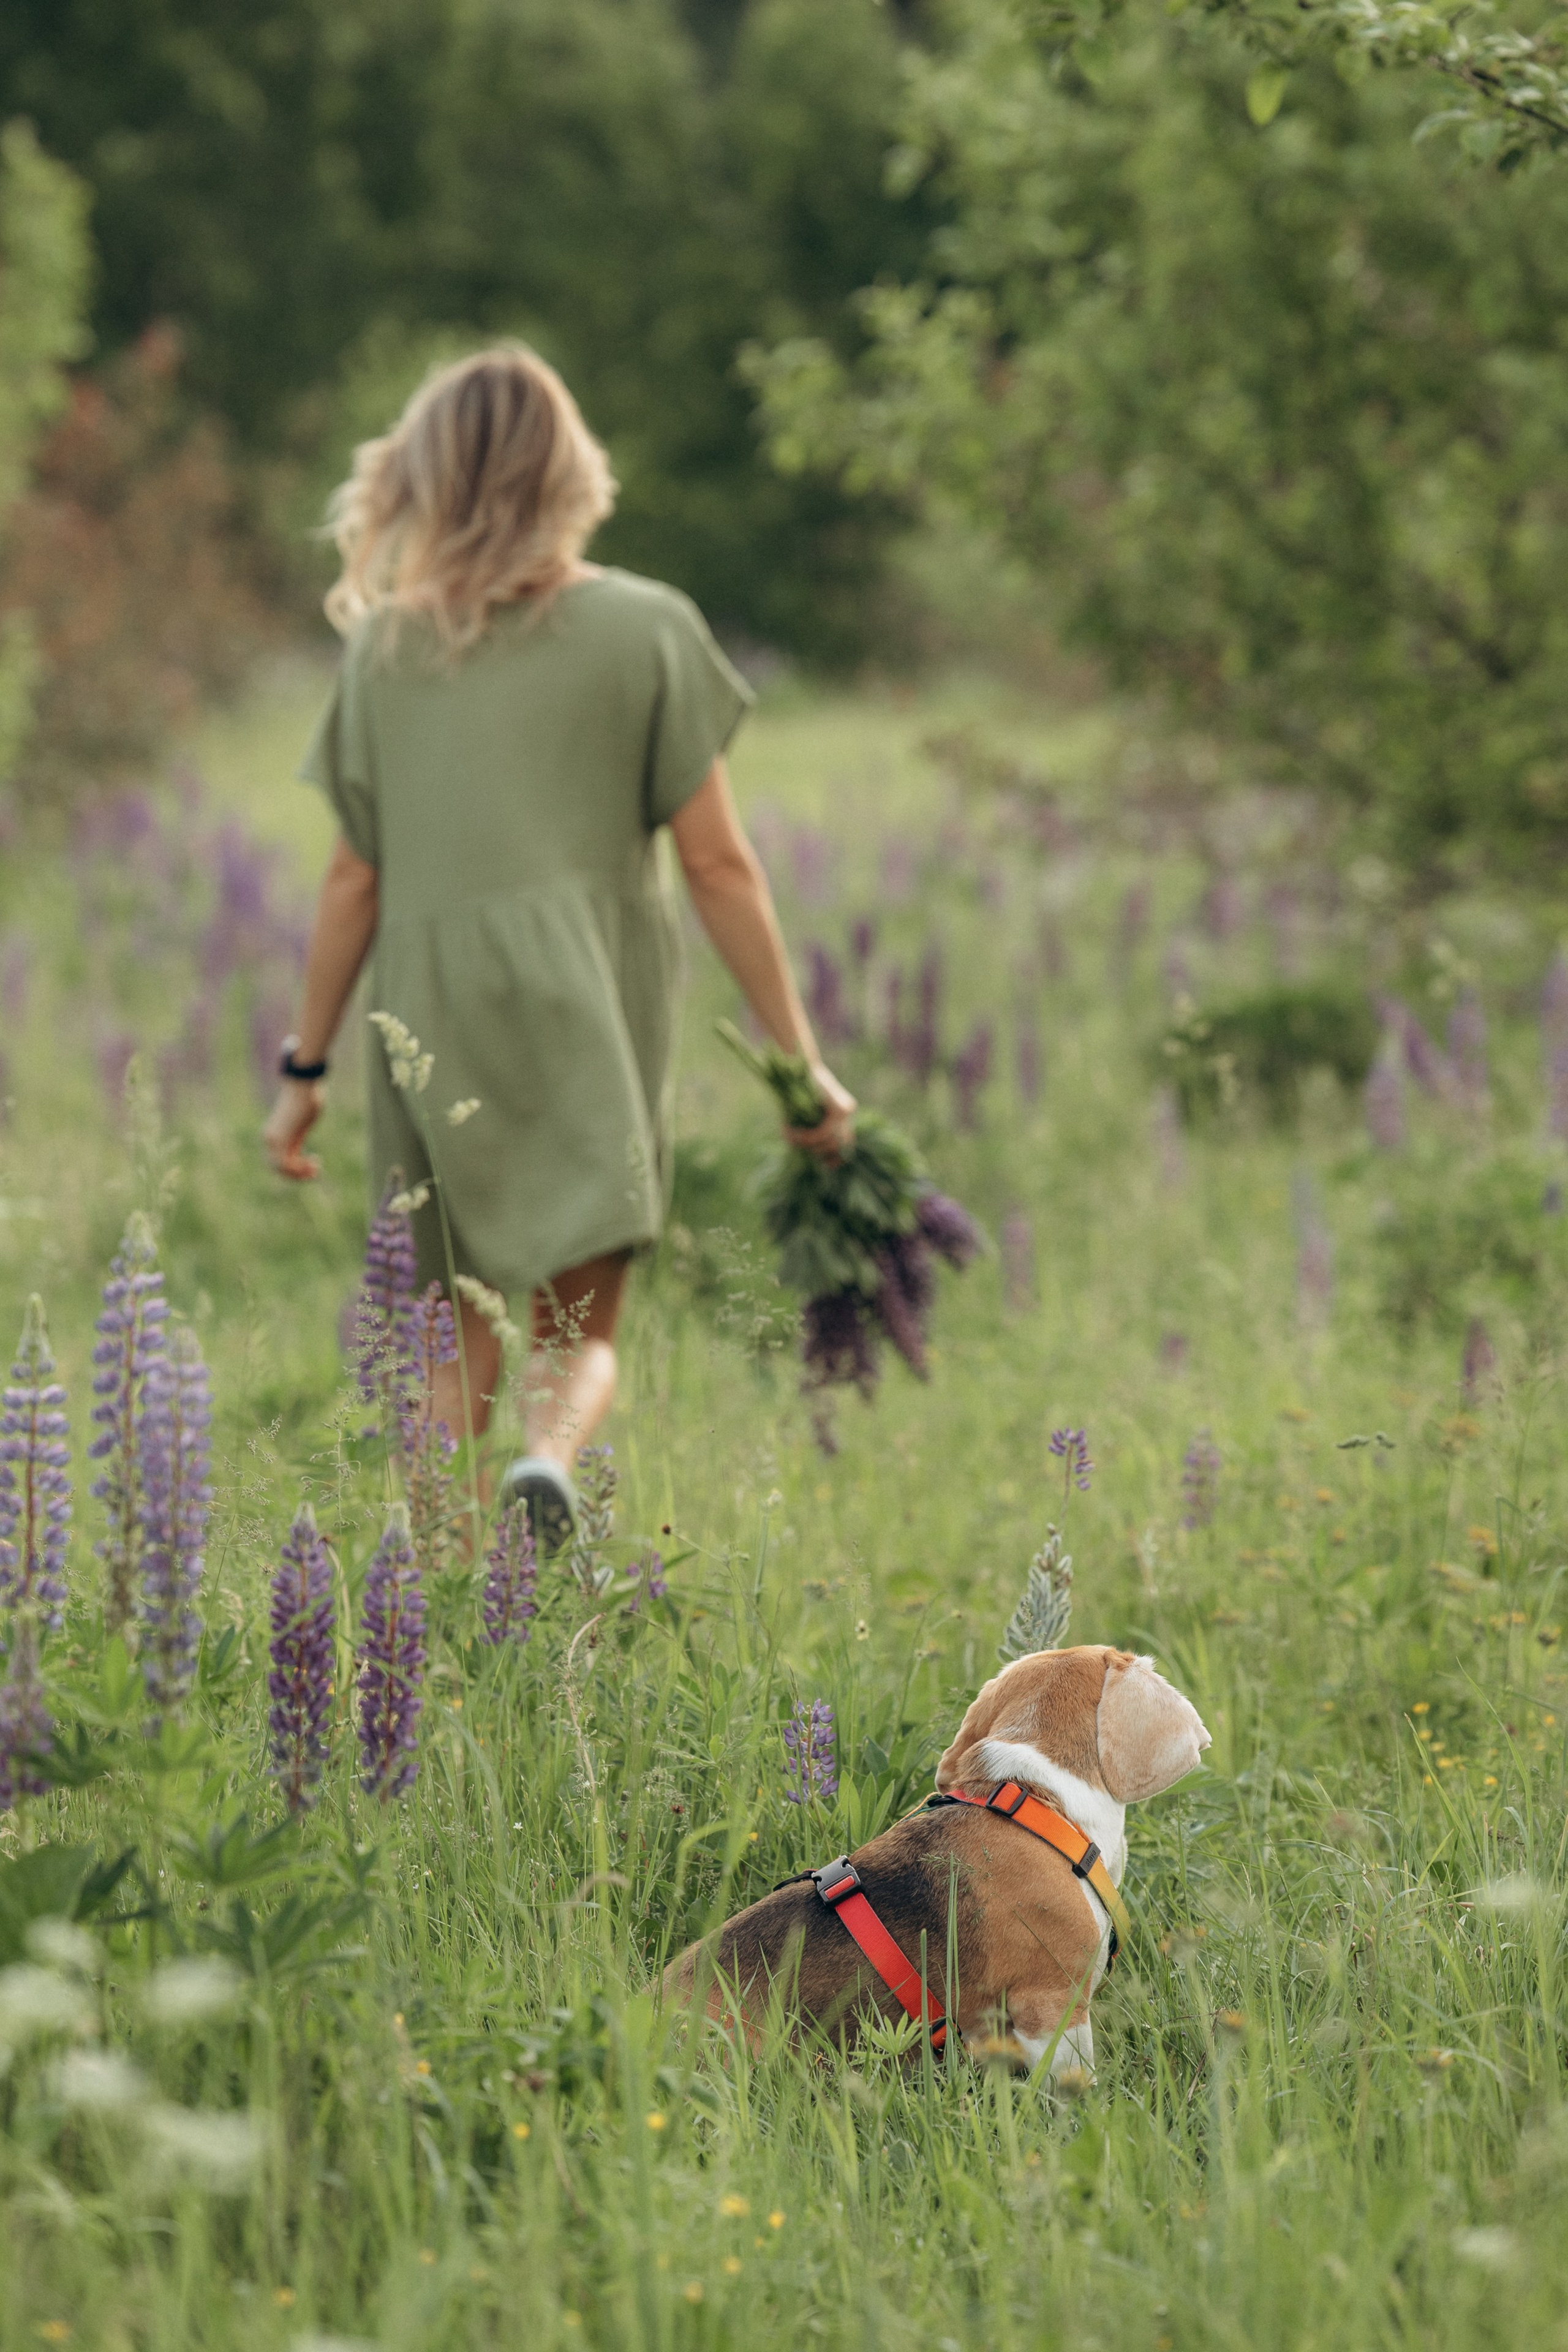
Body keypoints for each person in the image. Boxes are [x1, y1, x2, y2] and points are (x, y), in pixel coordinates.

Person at [263, 344, 854, 1545]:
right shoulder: (647, 629)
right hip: (584, 1005)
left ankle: (421, 1580)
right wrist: (799, 1066)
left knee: (452, 1327)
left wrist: (304, 1074)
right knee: (580, 1328)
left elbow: (350, 878)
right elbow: (718, 865)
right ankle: (546, 1459)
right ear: (570, 472)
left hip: (426, 1015)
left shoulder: (381, 653)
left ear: (423, 482)